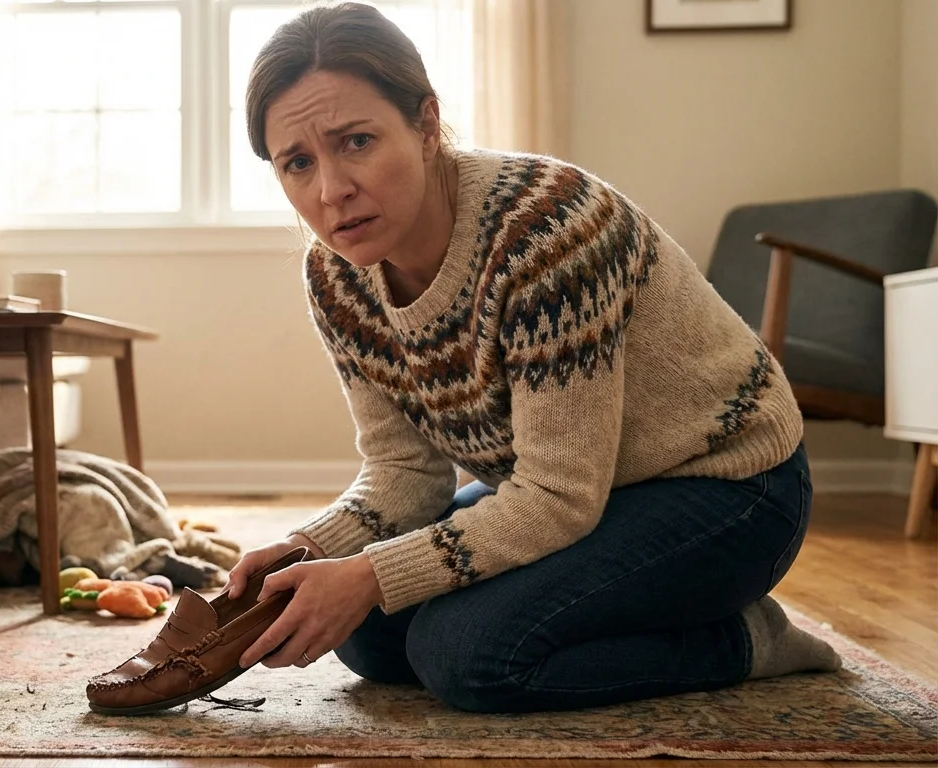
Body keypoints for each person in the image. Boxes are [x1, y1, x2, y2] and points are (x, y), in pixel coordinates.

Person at [223, 0, 842, 714]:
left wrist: (369, 574)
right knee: (365, 635)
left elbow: (558, 495)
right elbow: (404, 474)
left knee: (465, 656)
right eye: (297, 163)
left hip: (729, 487)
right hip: (581, 488)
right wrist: (309, 552)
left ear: (425, 126)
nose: (330, 191)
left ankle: (742, 640)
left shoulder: (546, 228)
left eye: (356, 141)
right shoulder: (336, 276)